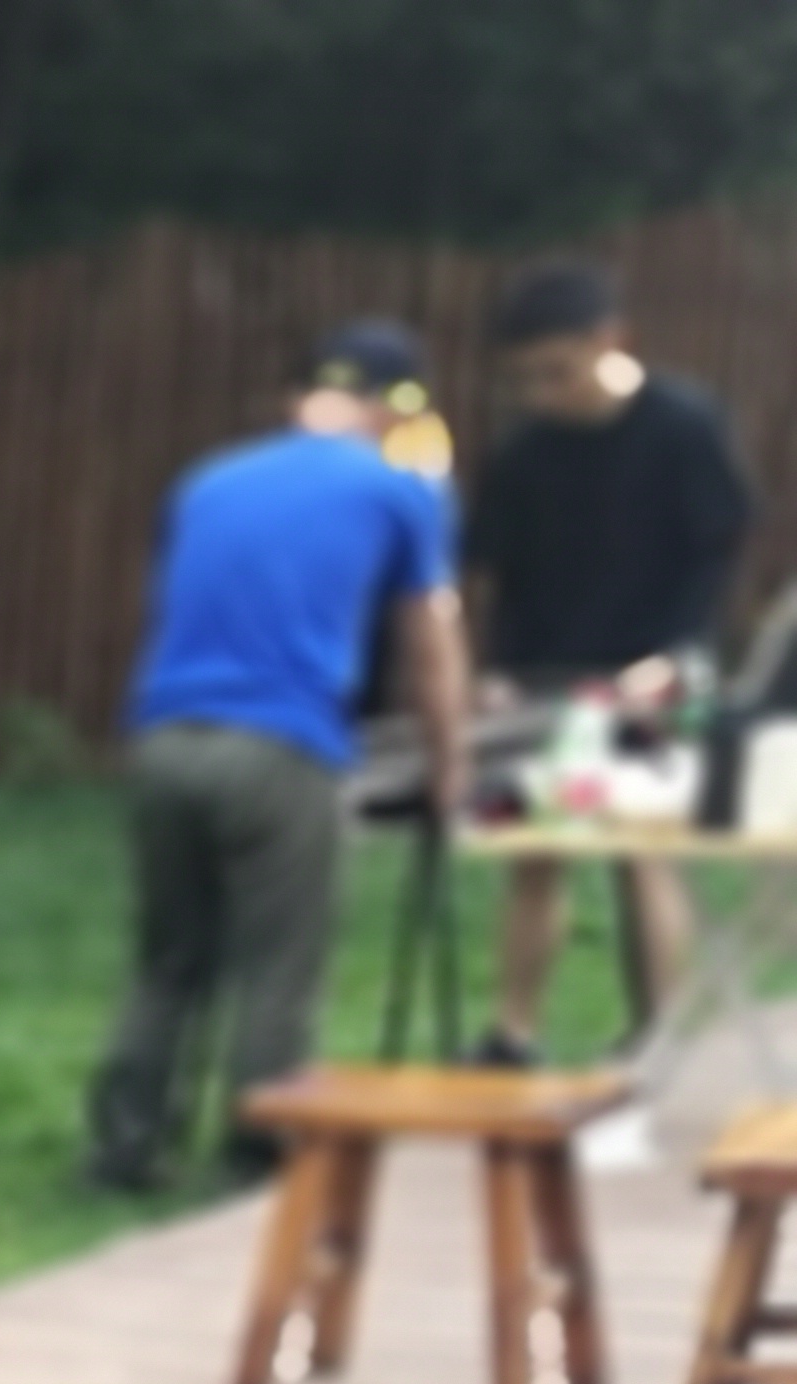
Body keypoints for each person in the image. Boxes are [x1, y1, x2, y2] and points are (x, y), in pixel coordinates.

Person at [85, 321, 472, 1192]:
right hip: (282, 743)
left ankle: (124, 1147)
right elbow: (432, 646)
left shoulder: (206, 479)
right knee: (279, 963)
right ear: (398, 407)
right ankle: (258, 1153)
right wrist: (448, 762)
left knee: (169, 960)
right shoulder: (401, 491)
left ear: (299, 397)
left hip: (164, 737)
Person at [461, 261, 757, 1063]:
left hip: (658, 668)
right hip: (546, 672)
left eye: (557, 371)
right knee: (532, 853)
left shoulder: (684, 425)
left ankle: (659, 1036)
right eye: (525, 378)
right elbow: (501, 576)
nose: (543, 392)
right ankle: (512, 1033)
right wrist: (496, 670)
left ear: (610, 342)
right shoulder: (523, 452)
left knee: (644, 852)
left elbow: (714, 554)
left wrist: (675, 655)